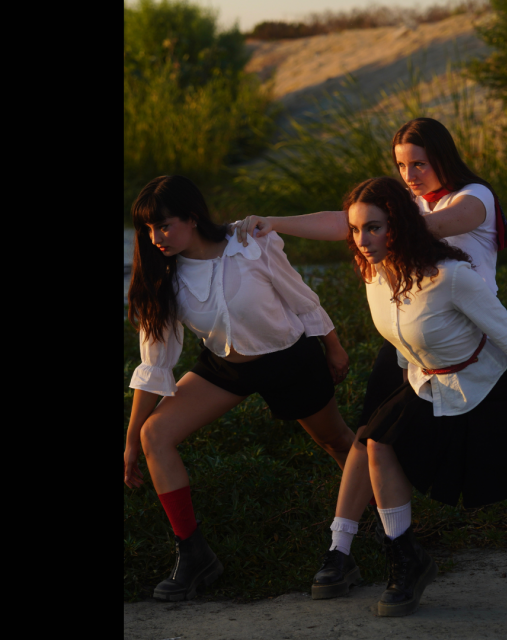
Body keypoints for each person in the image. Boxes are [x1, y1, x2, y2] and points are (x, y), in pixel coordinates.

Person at [232, 116, 507, 549]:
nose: (409, 176)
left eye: (418, 164)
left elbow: (425, 230)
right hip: (410, 332)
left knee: (440, 444)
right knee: (370, 436)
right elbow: (352, 220)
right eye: (401, 166)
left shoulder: (474, 198)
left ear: (442, 156)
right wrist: (275, 221)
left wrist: (377, 220)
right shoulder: (410, 202)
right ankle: (342, 548)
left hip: (468, 335)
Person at [124, 175, 355, 602]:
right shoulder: (165, 276)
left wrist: (333, 345)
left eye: (165, 225)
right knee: (155, 435)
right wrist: (132, 439)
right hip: (225, 368)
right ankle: (194, 555)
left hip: (287, 357)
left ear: (192, 218)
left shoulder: (248, 242)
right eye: (149, 230)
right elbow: (155, 361)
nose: (156, 238)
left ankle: (377, 529)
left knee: (336, 441)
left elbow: (298, 295)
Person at [316, 176, 507, 617]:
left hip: (489, 390)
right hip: (430, 383)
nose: (363, 240)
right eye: (355, 229)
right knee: (379, 441)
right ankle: (407, 559)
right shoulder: (375, 273)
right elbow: (405, 341)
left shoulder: (451, 276)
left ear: (400, 225)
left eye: (374, 227)